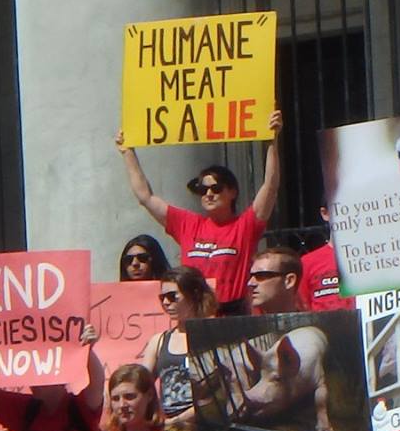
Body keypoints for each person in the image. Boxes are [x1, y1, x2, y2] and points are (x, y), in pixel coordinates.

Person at [116, 118, 283, 306]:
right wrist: (127, 152)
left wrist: (272, 141)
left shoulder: (245, 226)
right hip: (194, 315)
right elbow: (145, 197)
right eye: (203, 190)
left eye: (216, 188)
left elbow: (270, 187)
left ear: (233, 192)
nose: (209, 194)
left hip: (230, 314)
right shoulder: (187, 224)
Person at [140, 266, 217, 425]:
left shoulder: (215, 338)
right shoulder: (159, 340)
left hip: (206, 427)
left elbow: (218, 393)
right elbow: (141, 384)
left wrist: (178, 420)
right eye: (162, 298)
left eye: (172, 296)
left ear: (194, 294)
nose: (166, 303)